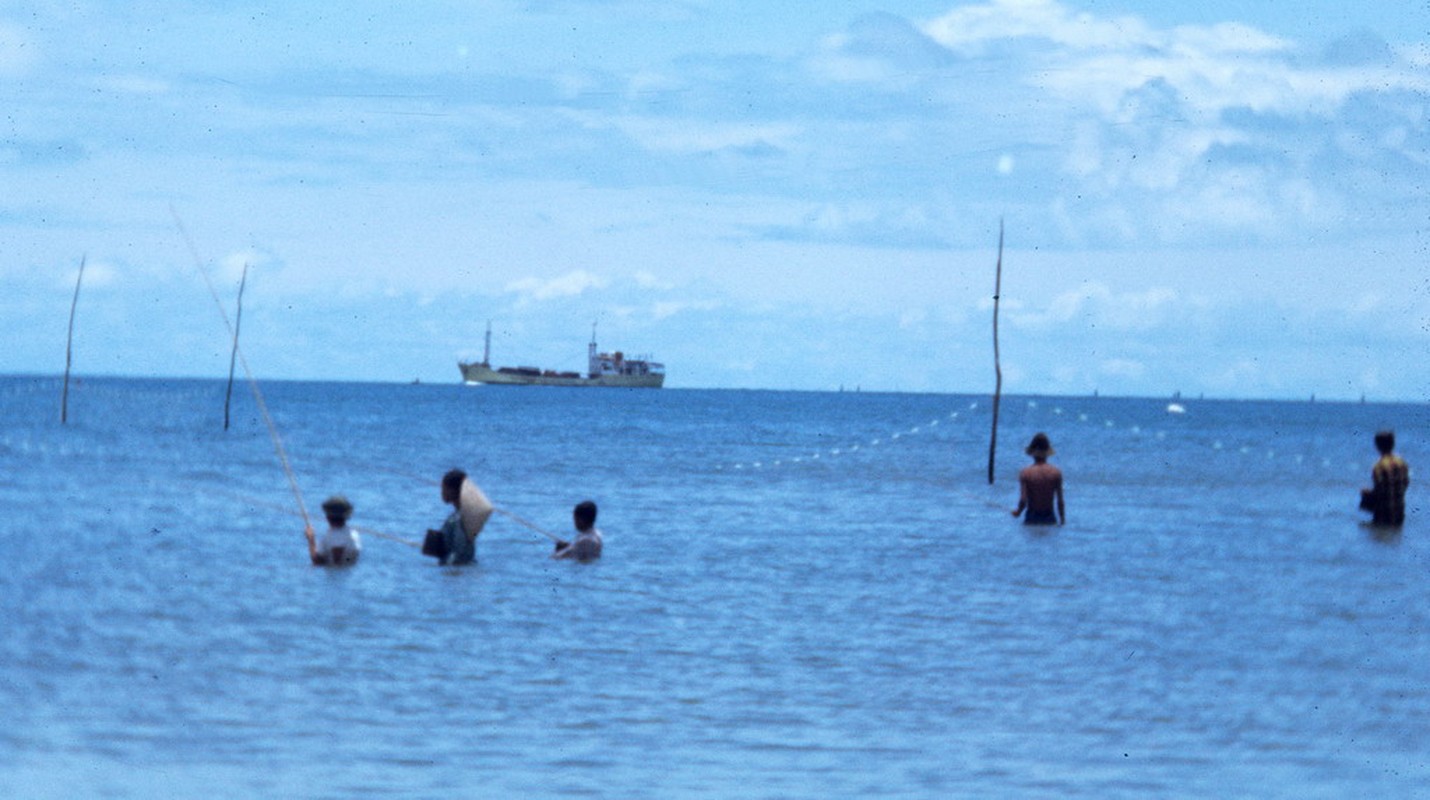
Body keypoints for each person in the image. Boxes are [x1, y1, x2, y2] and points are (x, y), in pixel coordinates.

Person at [1012, 432, 1065, 526]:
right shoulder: (1056, 473)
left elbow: (1023, 500)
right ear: (1047, 453)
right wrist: (1062, 521)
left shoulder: (1026, 473)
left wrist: (1018, 512)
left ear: (1032, 453)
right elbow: (1060, 502)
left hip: (1032, 518)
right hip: (1049, 518)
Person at [428, 468, 477, 566]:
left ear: (453, 491)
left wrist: (446, 565)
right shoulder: (459, 516)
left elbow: (459, 552)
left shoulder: (460, 519)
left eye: (443, 488)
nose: (441, 492)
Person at [1363, 430, 1410, 527]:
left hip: (1384, 514)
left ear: (1377, 445)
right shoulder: (1402, 463)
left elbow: (1380, 489)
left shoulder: (1379, 466)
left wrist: (1366, 494)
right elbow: (1405, 484)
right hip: (1399, 513)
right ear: (1393, 444)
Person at [307, 495, 361, 566]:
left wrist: (311, 539)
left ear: (328, 517)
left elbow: (334, 564)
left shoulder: (335, 536)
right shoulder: (354, 533)